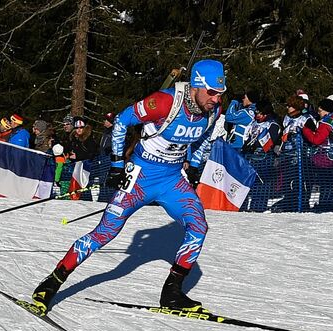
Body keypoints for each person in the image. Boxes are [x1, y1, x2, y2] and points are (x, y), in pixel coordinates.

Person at [28, 59, 228, 313]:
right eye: (211, 92)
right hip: (141, 178)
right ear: (196, 86)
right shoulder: (165, 101)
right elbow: (122, 120)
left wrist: (195, 165)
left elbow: (205, 137)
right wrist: (116, 165)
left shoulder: (213, 110)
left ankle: (172, 294)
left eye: (220, 93)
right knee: (105, 232)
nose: (216, 99)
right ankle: (52, 282)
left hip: (172, 180)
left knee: (198, 227)